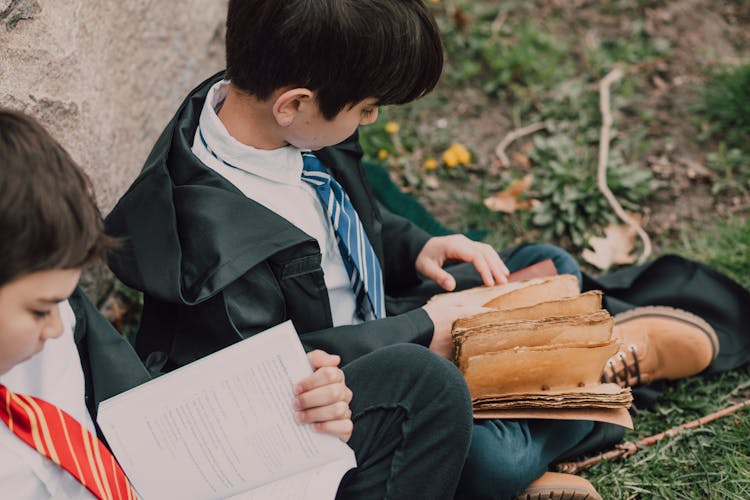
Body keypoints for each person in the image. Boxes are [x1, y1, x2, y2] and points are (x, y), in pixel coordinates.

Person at [104, 1, 716, 498]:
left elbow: (342, 216)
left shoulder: (272, 115)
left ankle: (558, 389)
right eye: (367, 109)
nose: (369, 121)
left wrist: (417, 245)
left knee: (547, 268)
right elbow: (277, 370)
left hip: (382, 314)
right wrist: (423, 328)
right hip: (343, 388)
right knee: (484, 460)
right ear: (295, 103)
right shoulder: (213, 249)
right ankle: (584, 388)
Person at [0, 108, 473, 500]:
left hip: (178, 474)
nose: (57, 327)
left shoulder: (56, 314)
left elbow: (133, 407)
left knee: (424, 386)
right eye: (41, 310)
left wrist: (269, 391)